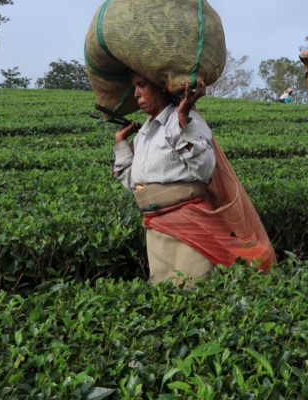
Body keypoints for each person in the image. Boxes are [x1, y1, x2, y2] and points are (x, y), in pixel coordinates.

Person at [113, 72, 276, 284]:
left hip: (190, 226)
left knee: (192, 289)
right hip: (156, 229)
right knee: (166, 296)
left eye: (141, 85)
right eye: (134, 86)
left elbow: (204, 170)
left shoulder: (186, 120)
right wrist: (121, 143)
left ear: (162, 86)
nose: (136, 94)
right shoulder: (145, 131)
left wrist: (183, 121)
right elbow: (134, 184)